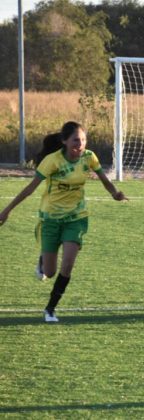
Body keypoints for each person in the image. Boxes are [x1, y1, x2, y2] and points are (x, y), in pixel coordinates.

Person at [0, 121, 127, 323]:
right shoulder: (53, 161)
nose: (81, 144)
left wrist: (115, 193)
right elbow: (30, 189)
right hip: (50, 219)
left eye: (83, 140)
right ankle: (43, 260)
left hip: (76, 218)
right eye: (76, 140)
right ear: (65, 141)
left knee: (67, 265)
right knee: (49, 273)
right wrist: (7, 210)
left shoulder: (89, 157)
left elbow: (103, 178)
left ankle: (50, 309)